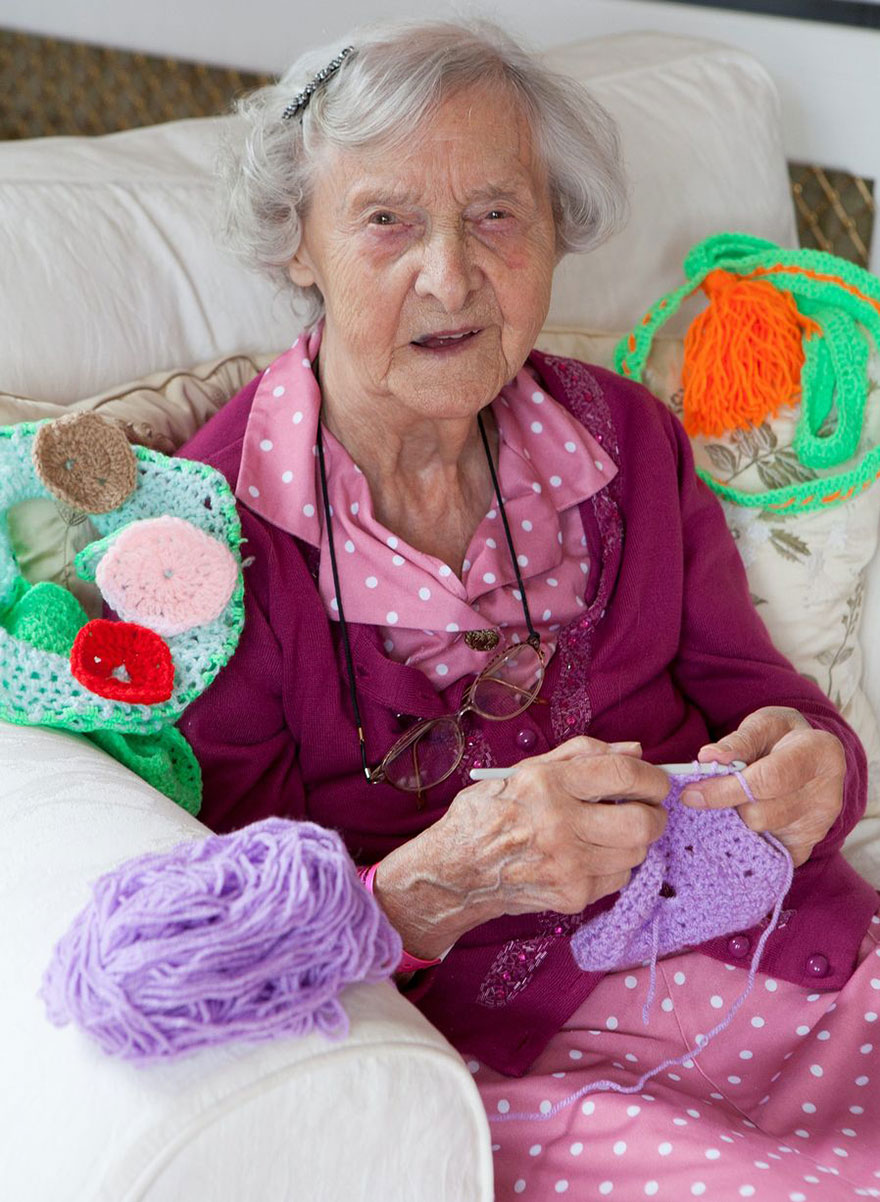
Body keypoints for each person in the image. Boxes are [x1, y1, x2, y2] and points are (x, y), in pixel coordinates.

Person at [179, 20, 880, 1199]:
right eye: (387, 220)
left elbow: (763, 696)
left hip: (789, 952)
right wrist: (450, 878)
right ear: (298, 242)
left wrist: (818, 763)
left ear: (556, 229)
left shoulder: (628, 440)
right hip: (517, 1050)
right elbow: (231, 929)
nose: (450, 277)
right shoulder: (207, 541)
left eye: (498, 214)